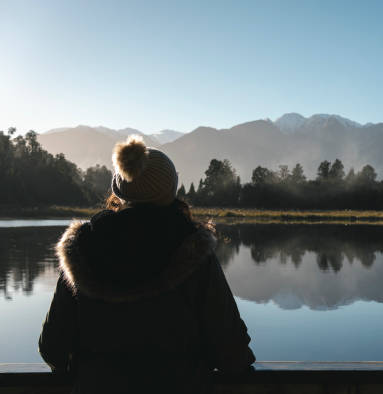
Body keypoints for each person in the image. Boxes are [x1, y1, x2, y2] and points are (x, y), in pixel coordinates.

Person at [39, 136, 255, 393]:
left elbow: (53, 348)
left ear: (119, 188)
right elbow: (231, 351)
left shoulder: (80, 249)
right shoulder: (194, 250)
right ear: (170, 189)